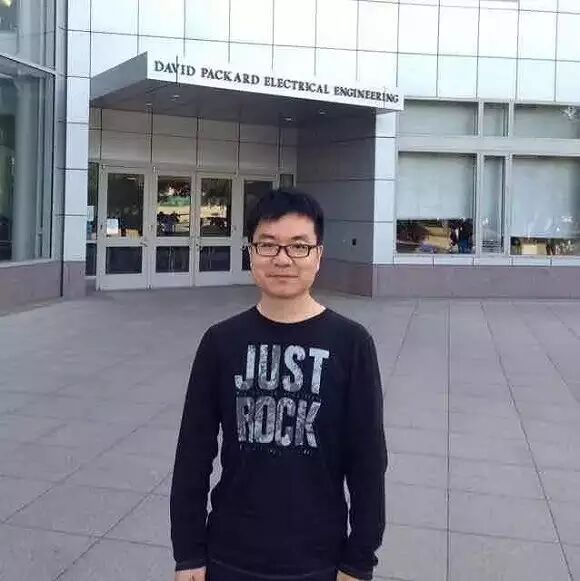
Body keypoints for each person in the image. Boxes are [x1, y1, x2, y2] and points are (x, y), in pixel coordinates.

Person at [171, 189, 388, 581]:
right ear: (251, 252)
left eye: (299, 246)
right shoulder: (221, 342)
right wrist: (188, 555)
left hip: (319, 558)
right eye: (268, 245)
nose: (283, 259)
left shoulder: (351, 344)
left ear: (318, 255)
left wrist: (359, 562)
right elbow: (193, 454)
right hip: (229, 555)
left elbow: (368, 462)